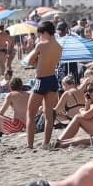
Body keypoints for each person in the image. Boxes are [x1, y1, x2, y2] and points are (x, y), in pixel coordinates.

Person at [25, 21, 64, 150]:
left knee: (30, 113)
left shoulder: (41, 45)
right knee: (49, 115)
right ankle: (46, 143)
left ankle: (30, 145)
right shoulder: (59, 47)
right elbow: (53, 63)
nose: (40, 36)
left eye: (40, 34)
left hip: (41, 80)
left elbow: (29, 62)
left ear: (45, 32)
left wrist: (37, 61)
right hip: (53, 79)